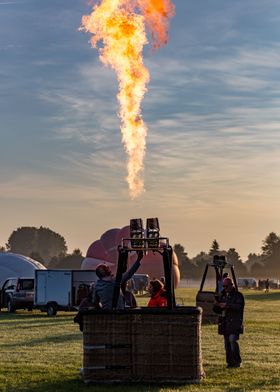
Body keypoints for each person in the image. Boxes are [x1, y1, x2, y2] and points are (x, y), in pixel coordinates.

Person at [213, 277, 245, 369]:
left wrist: (227, 305)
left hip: (235, 322)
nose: (225, 288)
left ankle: (237, 362)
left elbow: (239, 307)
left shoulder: (238, 295)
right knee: (227, 343)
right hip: (225, 323)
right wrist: (217, 305)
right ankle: (230, 363)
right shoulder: (222, 296)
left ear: (231, 285)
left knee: (232, 341)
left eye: (226, 286)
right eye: (224, 286)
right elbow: (216, 310)